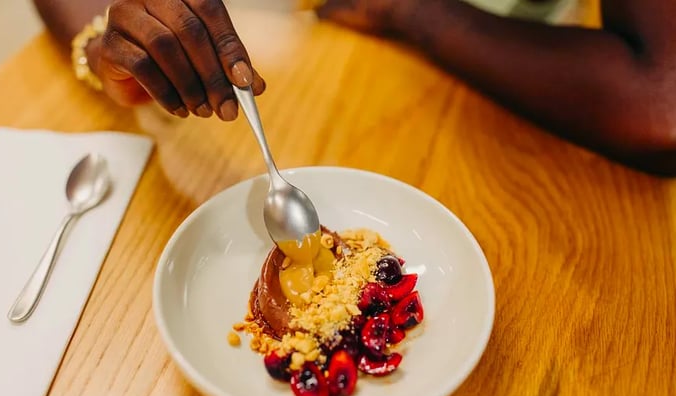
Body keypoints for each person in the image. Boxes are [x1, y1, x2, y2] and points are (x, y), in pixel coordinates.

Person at [33, 0, 676, 175]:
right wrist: (109, 47)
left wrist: (414, 13)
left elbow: (660, 101)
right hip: (289, 62)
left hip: (498, 87)